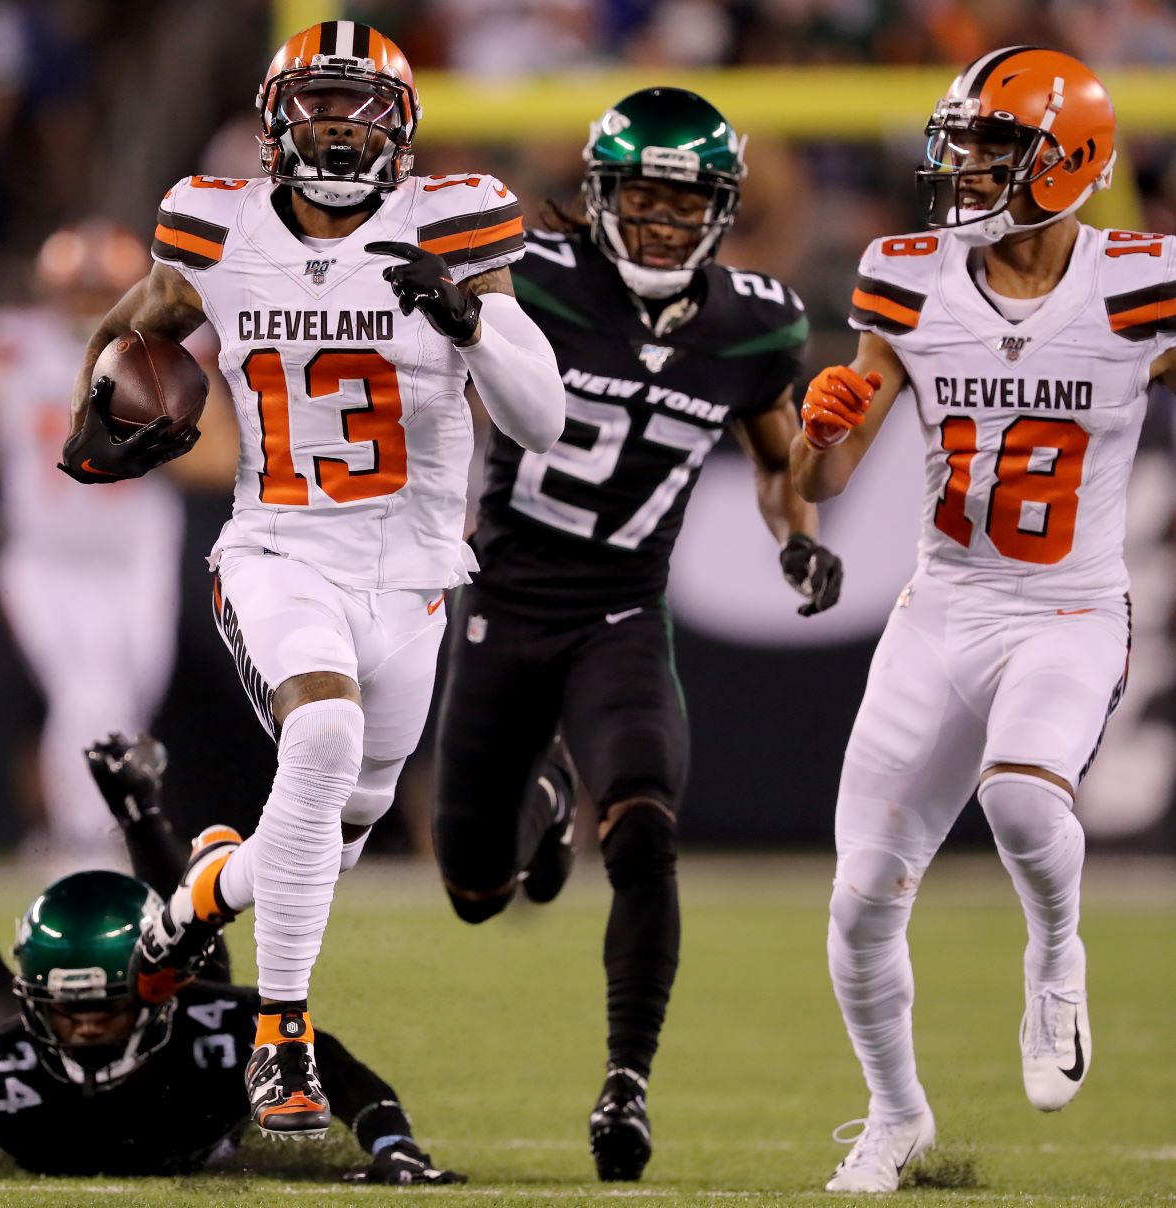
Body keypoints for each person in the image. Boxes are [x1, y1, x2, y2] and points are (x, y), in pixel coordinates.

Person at [59, 21, 566, 1136]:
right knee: (322, 745)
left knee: (331, 830)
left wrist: (472, 320)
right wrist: (90, 410)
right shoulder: (215, 224)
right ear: (275, 119)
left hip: (418, 570)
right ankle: (279, 1037)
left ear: (403, 125)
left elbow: (545, 417)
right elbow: (134, 323)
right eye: (316, 105)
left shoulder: (454, 223)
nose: (338, 124)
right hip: (281, 548)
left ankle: (196, 896)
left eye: (362, 106)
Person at [428, 88, 841, 1183]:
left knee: (649, 823)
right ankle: (543, 806)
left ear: (720, 210)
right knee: (475, 890)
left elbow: (772, 453)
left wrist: (794, 534)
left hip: (621, 609)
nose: (659, 223)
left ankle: (626, 1080)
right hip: (506, 599)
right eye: (640, 198)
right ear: (601, 196)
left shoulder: (757, 320)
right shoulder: (531, 279)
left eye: (681, 203)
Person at [789, 48, 1172, 1193]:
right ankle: (894, 1114)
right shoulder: (906, 276)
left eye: (995, 148)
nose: (964, 167)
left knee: (1019, 789)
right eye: (962, 144)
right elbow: (827, 479)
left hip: (1065, 604)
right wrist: (822, 426)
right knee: (860, 892)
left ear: (1072, 160)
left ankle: (1055, 956)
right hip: (941, 603)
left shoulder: (1141, 280)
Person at [0, 674, 462, 1185]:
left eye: (105, 1005)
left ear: (150, 996)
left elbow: (338, 1070)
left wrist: (392, 1145)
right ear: (32, 1001)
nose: (84, 1024)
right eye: (65, 1007)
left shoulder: (217, 1028)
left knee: (201, 967)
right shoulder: (5, 1059)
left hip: (182, 1017)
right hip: (122, 1031)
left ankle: (136, 807)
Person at [0, 221, 185, 871]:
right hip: (45, 554)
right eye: (77, 291)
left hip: (134, 552)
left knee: (131, 692)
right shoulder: (15, 345)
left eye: (100, 291)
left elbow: (216, 457)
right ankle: (85, 838)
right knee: (84, 693)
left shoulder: (164, 347)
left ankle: (113, 827)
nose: (88, 305)